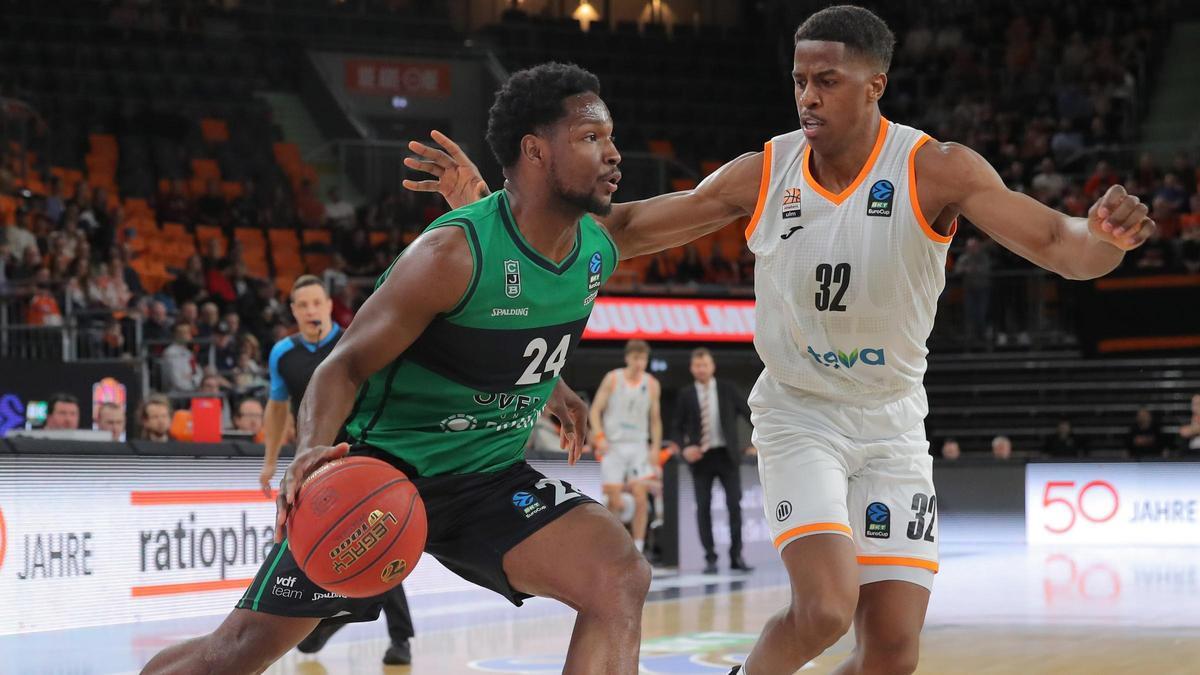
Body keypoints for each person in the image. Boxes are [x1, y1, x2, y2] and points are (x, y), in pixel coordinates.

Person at [404, 6, 1154, 671]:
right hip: (802, 413)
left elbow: (1061, 242)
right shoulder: (767, 170)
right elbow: (624, 228)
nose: (807, 96)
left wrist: (1107, 237)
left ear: (875, 86)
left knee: (894, 649)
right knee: (826, 608)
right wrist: (493, 205)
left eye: (827, 80)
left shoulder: (936, 169)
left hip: (893, 421)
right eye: (799, 80)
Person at [143, 63, 649, 675]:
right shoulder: (445, 254)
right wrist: (308, 451)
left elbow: (502, 332)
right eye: (592, 137)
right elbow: (343, 365)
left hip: (486, 477)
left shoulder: (581, 242)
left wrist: (552, 384)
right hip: (378, 473)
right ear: (536, 151)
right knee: (232, 656)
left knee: (619, 574)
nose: (612, 154)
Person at [257, 274, 414, 665]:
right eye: (302, 305)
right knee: (309, 546)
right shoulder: (282, 353)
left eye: (317, 303)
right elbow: (277, 409)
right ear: (294, 311)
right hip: (312, 465)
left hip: (363, 456)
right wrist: (270, 459)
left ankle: (401, 638)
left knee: (383, 543)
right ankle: (326, 621)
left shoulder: (356, 338)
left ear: (329, 305)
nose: (311, 310)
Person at [671, 348, 754, 574]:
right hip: (701, 459)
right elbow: (676, 427)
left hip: (727, 456)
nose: (701, 369)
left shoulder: (727, 389)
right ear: (692, 368)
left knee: (734, 506)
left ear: (712, 366)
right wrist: (685, 448)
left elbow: (750, 414)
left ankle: (737, 556)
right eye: (697, 366)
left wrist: (759, 441)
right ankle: (710, 558)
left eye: (705, 365)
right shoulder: (686, 394)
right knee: (703, 508)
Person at [589, 339, 662, 554]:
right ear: (628, 358)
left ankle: (637, 549)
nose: (640, 363)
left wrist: (655, 447)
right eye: (636, 358)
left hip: (638, 445)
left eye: (644, 359)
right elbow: (594, 410)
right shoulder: (613, 378)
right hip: (614, 445)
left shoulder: (651, 384)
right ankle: (612, 547)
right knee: (614, 499)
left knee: (641, 496)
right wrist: (599, 436)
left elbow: (655, 419)